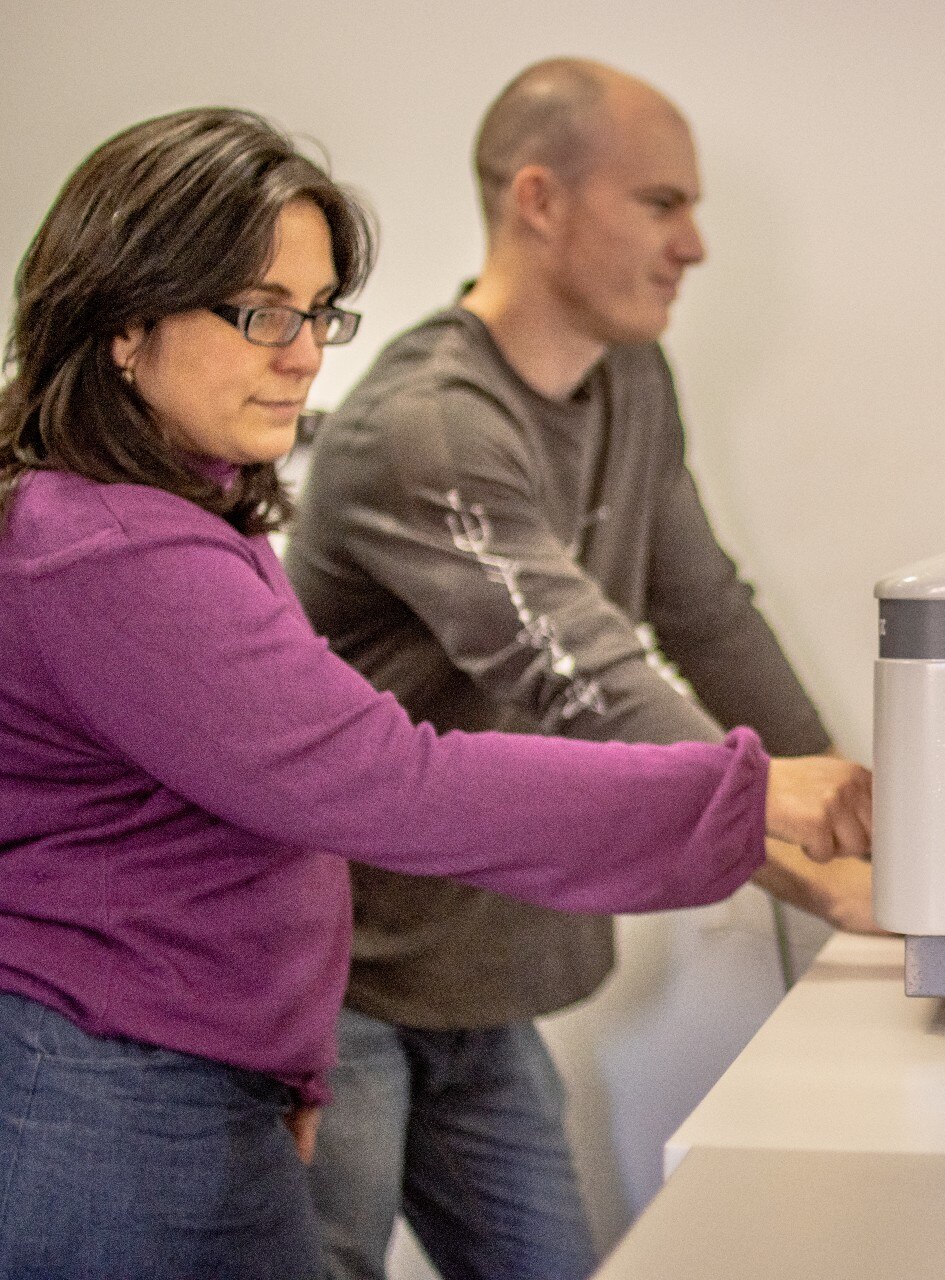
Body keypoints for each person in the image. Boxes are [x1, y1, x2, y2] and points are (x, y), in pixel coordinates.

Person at [0, 107, 869, 1280]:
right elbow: (384, 776)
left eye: (317, 314)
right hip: (122, 1092)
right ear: (123, 320)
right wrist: (750, 802)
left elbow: (701, 606)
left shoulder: (183, 512)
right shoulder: (111, 547)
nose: (305, 353)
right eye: (263, 312)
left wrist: (287, 1056)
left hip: (231, 1059)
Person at [284, 59, 876, 1280]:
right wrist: (801, 852)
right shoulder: (432, 426)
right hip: (335, 983)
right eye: (662, 203)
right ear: (539, 200)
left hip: (477, 984)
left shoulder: (630, 384)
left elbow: (706, 617)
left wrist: (866, 815)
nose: (695, 245)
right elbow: (587, 677)